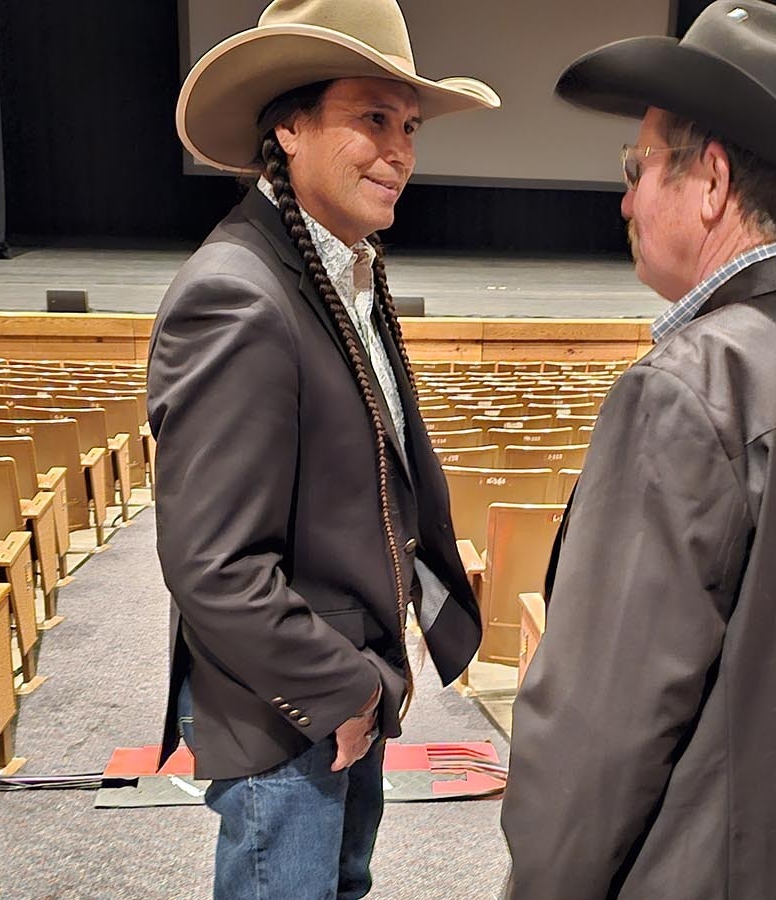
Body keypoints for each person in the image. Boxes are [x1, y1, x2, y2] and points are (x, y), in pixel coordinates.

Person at [499, 2, 776, 897]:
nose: (625, 197)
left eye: (637, 167)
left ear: (709, 179)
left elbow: (601, 729)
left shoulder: (692, 383)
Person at [148, 1, 498, 896]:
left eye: (409, 125)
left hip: (343, 692)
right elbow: (213, 563)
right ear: (290, 126)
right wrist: (344, 692)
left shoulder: (343, 263)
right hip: (288, 712)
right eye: (372, 118)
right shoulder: (239, 295)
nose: (400, 151)